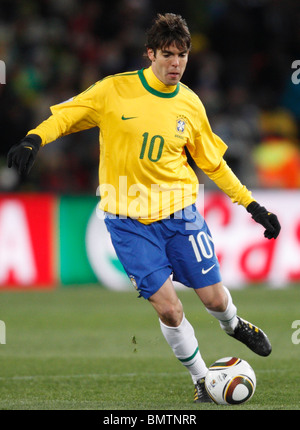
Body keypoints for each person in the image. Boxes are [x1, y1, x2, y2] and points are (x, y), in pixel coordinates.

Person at [7, 13, 281, 403]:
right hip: (128, 220)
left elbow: (213, 164)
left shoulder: (190, 104)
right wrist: (35, 138)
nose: (176, 64)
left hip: (181, 214)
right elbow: (66, 116)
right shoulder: (114, 91)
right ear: (149, 54)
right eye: (168, 54)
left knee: (215, 300)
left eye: (183, 55)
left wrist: (252, 205)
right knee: (169, 309)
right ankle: (203, 380)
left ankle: (233, 324)